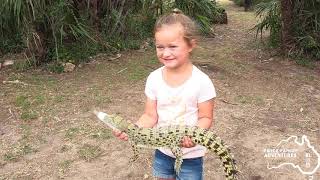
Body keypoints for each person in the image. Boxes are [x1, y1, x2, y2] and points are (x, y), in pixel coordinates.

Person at [113, 9, 216, 180]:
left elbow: (206, 118)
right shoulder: (154, 79)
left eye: (173, 46)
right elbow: (149, 115)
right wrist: (133, 130)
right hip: (162, 151)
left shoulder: (202, 82)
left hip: (190, 154)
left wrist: (193, 135)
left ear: (191, 45)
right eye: (160, 47)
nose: (165, 53)